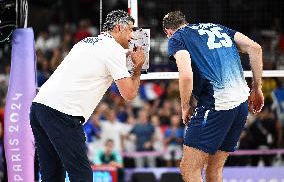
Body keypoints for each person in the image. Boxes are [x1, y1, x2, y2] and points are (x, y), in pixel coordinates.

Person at [29, 10, 145, 182]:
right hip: (62, 112)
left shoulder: (85, 42)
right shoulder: (113, 49)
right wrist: (138, 67)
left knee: (51, 174)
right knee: (81, 175)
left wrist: (127, 57)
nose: (132, 36)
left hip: (39, 107)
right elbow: (129, 94)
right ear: (119, 28)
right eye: (130, 30)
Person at [162, 11, 264, 182]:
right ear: (185, 22)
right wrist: (257, 88)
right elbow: (255, 48)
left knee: (189, 169)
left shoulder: (177, 38)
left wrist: (185, 106)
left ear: (168, 31)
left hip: (217, 105)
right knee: (213, 170)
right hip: (240, 104)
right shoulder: (216, 27)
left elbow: (186, 75)